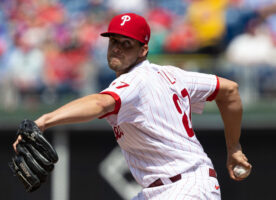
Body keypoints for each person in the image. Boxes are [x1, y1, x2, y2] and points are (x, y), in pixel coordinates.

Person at [13, 13, 251, 199]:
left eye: (127, 43)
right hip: (164, 189)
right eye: (114, 41)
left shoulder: (134, 80)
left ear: (143, 50)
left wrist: (44, 121)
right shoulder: (171, 74)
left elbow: (100, 103)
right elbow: (228, 90)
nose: (117, 47)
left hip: (185, 188)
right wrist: (234, 148)